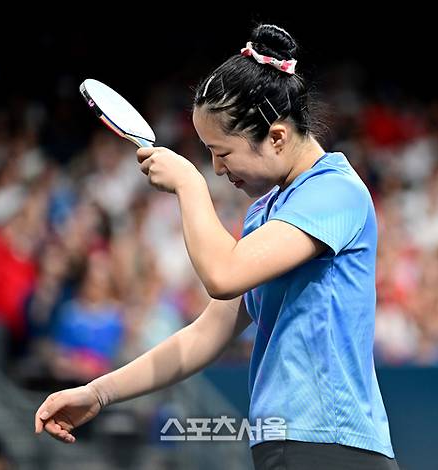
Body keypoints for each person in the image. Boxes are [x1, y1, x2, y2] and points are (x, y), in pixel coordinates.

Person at [35, 24, 399, 469]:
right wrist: (99, 392)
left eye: (221, 152)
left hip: (332, 448)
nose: (216, 168)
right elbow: (205, 334)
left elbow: (222, 277)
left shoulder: (335, 193)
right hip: (283, 446)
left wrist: (189, 182)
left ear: (278, 137)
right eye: (206, 155)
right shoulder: (266, 214)